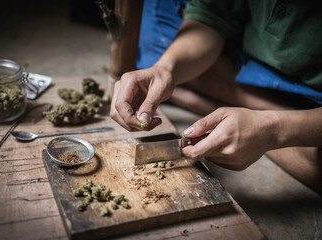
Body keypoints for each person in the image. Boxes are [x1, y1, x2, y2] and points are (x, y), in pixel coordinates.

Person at [110, 0, 322, 192]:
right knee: (149, 34)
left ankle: (238, 113)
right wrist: (165, 69)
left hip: (312, 93)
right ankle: (244, 118)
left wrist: (273, 130)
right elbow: (211, 16)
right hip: (247, 52)